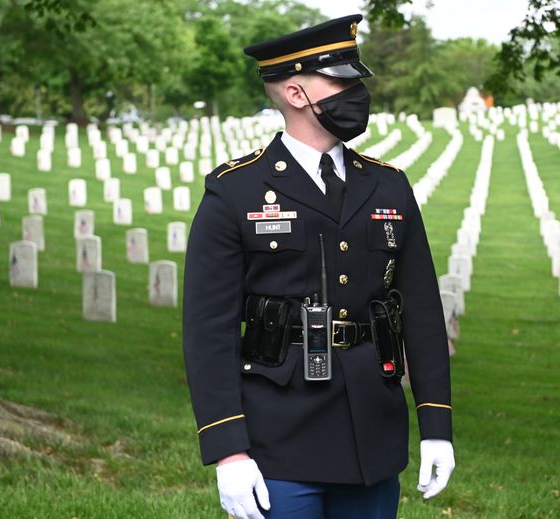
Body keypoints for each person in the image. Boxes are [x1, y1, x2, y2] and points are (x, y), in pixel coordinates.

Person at [182, 14, 454, 519]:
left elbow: (420, 309)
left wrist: (437, 425)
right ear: (294, 93)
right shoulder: (235, 191)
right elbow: (208, 329)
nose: (357, 90)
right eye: (340, 80)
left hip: (373, 438)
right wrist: (227, 448)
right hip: (278, 440)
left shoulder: (389, 185)